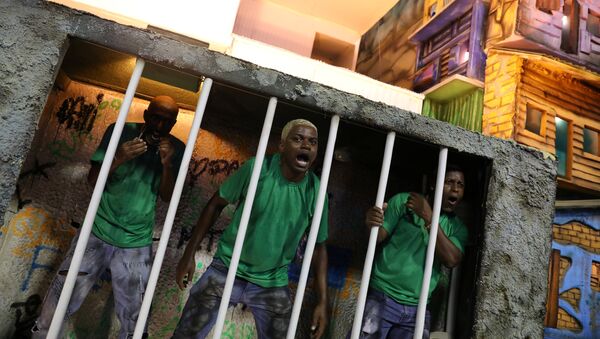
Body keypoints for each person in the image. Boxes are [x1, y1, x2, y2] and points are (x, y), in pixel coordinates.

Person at [32, 95, 185, 339]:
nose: (159, 126)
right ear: (146, 114)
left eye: (167, 122)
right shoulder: (120, 131)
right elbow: (93, 180)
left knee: (135, 318)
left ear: (173, 124)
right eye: (155, 117)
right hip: (97, 230)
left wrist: (167, 165)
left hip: (136, 241)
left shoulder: (176, 148)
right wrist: (119, 157)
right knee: (61, 299)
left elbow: (168, 197)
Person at [173, 119, 329, 339]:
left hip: (273, 281)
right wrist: (188, 254)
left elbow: (319, 246)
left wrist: (323, 302)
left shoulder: (316, 191)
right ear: (282, 146)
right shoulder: (258, 169)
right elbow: (216, 204)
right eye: (298, 139)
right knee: (184, 336)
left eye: (312, 142)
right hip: (227, 267)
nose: (306, 146)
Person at [357, 165, 468, 339]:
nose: (455, 189)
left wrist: (429, 217)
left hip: (419, 307)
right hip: (382, 297)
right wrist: (371, 222)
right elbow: (376, 236)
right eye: (449, 182)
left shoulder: (457, 227)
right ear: (434, 183)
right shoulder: (404, 201)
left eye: (460, 184)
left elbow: (452, 259)